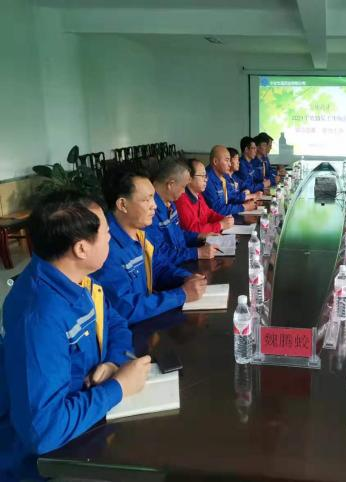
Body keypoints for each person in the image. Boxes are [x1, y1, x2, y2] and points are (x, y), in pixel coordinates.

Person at [0, 191, 151, 481]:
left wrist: (112, 362)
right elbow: (43, 432)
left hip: (87, 419)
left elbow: (116, 324)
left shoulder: (76, 279)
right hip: (48, 462)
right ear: (81, 248)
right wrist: (119, 387)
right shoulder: (40, 317)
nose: (111, 237)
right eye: (106, 233)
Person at [93, 168, 207, 325]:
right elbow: (125, 308)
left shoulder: (141, 233)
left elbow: (158, 267)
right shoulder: (105, 248)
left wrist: (185, 277)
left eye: (153, 198)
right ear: (122, 204)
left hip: (148, 320)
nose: (154, 206)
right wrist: (181, 294)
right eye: (146, 200)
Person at [146, 159, 216, 263]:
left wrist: (200, 236)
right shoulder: (149, 211)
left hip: (182, 259)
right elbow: (160, 255)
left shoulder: (170, 202)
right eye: (183, 187)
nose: (184, 192)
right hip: (173, 266)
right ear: (171, 184)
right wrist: (196, 253)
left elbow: (178, 235)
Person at [176, 159, 234, 235]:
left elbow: (208, 214)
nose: (206, 180)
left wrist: (223, 219)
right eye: (202, 176)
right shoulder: (182, 200)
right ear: (189, 178)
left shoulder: (198, 194)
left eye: (206, 176)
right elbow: (193, 231)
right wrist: (220, 225)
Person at [203, 145, 257, 216]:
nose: (229, 164)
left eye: (230, 160)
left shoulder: (223, 176)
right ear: (215, 161)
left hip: (227, 218)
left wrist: (245, 199)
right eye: (227, 160)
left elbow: (232, 197)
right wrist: (244, 207)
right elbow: (218, 210)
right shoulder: (207, 179)